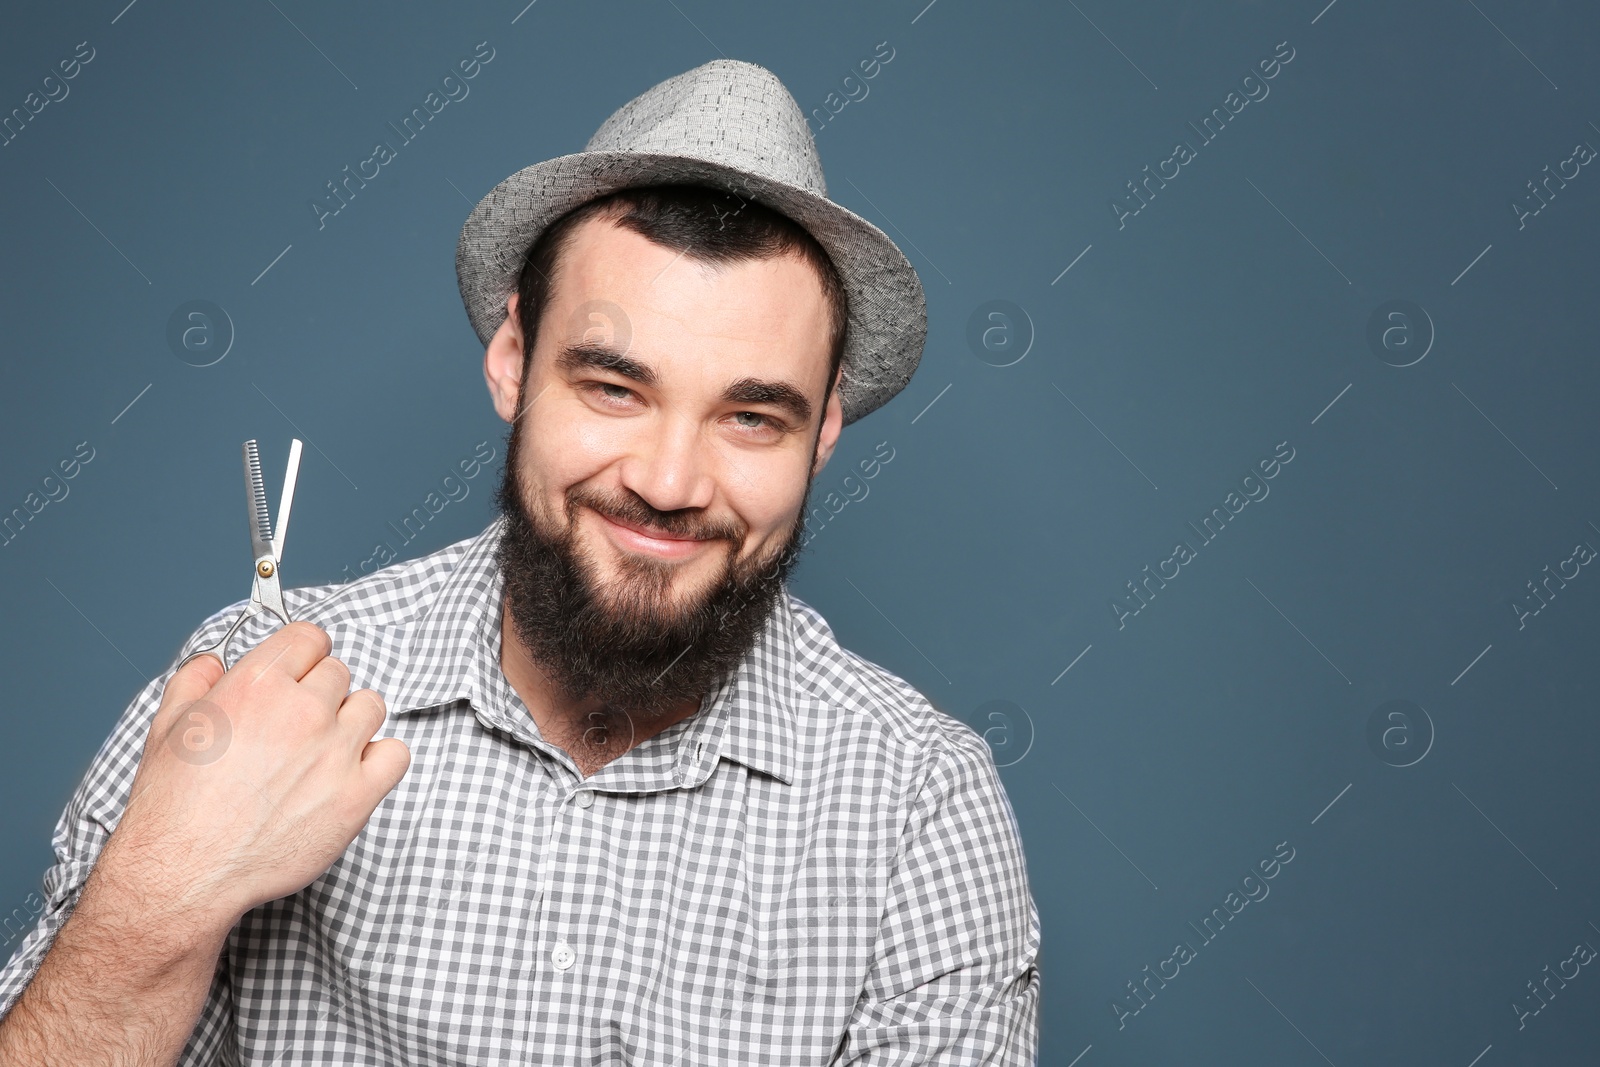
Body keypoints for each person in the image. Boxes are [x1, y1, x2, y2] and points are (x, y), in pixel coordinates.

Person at [0, 59, 1039, 1064]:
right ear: (512, 363)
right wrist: (156, 897)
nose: (670, 480)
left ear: (821, 438)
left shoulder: (917, 804)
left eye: (752, 415)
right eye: (613, 389)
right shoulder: (256, 680)